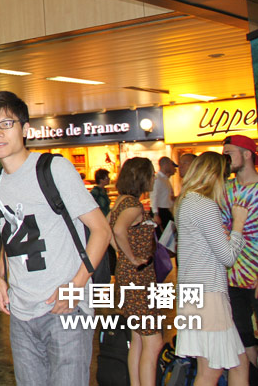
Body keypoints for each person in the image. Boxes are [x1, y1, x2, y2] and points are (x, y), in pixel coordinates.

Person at [0, 91, 110, 386]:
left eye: (6, 124)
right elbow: (12, 237)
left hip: (65, 309)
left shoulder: (53, 169)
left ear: (25, 129)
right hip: (21, 313)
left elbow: (102, 231)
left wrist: (75, 287)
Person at [175, 151, 249, 385]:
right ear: (215, 176)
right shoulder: (204, 205)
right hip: (208, 296)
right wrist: (238, 225)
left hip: (195, 293)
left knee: (237, 363)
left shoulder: (187, 201)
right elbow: (227, 257)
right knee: (211, 371)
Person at [110, 157, 162, 386]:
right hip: (138, 276)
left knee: (138, 339)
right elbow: (118, 230)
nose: (154, 178)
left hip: (128, 274)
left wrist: (122, 254)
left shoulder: (121, 201)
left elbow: (108, 230)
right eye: (151, 174)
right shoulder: (133, 206)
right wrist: (131, 257)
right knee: (153, 341)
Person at [220, 135, 258, 373]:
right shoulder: (225, 189)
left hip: (255, 278)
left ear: (246, 154)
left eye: (229, 154)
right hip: (231, 279)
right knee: (243, 340)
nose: (224, 159)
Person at [151, 156, 178, 231]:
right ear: (166, 165)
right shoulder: (157, 179)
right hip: (161, 211)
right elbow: (154, 197)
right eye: (172, 165)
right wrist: (155, 214)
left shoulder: (165, 179)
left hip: (166, 211)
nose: (174, 169)